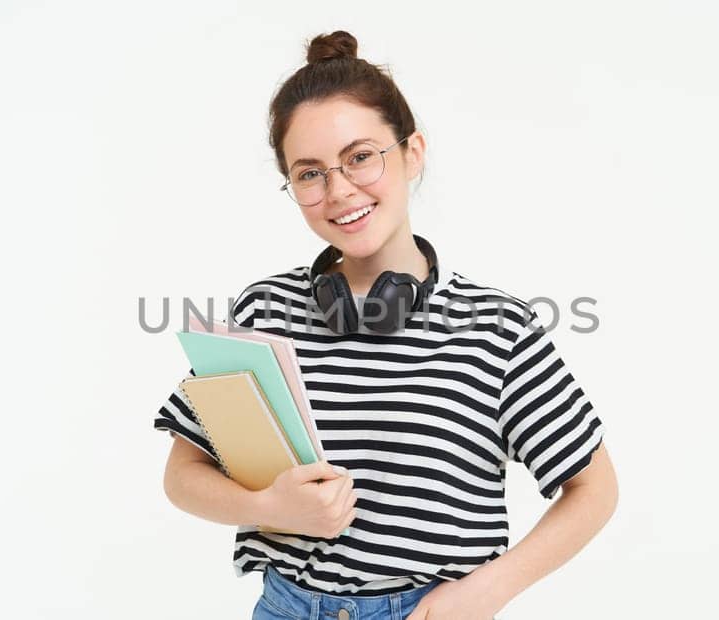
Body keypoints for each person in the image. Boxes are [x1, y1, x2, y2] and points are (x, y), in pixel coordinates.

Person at [154, 30, 618, 620]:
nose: (340, 189)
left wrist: (488, 590)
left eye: (360, 156)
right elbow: (182, 475)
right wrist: (272, 507)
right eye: (310, 172)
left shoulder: (498, 328)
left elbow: (595, 489)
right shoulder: (262, 311)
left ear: (412, 152)